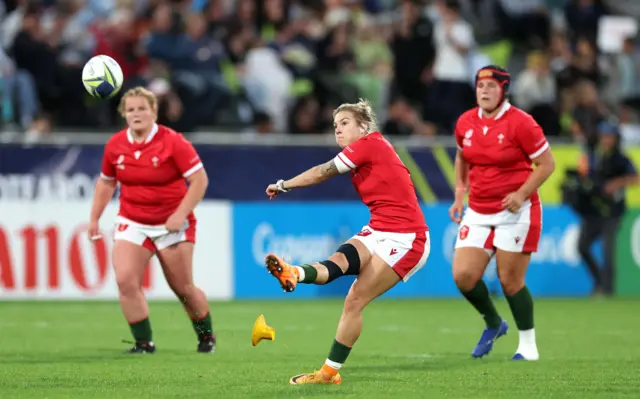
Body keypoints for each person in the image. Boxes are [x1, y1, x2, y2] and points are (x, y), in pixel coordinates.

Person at [264, 99, 430, 384]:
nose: (337, 130)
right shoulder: (368, 149)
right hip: (379, 228)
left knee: (354, 299)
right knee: (337, 263)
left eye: (344, 123)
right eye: (335, 126)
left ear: (363, 127)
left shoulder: (370, 144)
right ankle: (294, 272)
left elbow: (321, 172)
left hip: (407, 238)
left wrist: (283, 184)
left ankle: (328, 374)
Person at [88, 87, 216, 354]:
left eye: (142, 109)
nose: (136, 114)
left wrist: (180, 213)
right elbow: (106, 182)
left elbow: (199, 180)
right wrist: (94, 218)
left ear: (154, 112)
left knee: (183, 288)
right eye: (131, 109)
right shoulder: (115, 145)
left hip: (172, 225)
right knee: (125, 280)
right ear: (124, 114)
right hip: (132, 221)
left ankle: (206, 337)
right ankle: (144, 343)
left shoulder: (174, 142)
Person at [449, 65, 556, 361]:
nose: (484, 91)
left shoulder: (522, 123)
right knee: (463, 276)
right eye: (480, 86)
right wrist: (460, 194)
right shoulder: (465, 122)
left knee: (510, 281)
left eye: (491, 86)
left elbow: (547, 164)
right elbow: (461, 155)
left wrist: (521, 194)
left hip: (517, 211)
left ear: (503, 91)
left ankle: (528, 345)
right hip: (479, 209)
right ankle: (495, 323)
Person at [574, 121, 639, 295]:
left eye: (610, 136)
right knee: (582, 246)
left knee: (608, 250)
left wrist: (616, 183)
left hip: (612, 211)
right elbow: (584, 176)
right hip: (593, 210)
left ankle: (608, 290)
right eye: (604, 135)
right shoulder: (592, 155)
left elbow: (636, 177)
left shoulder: (621, 158)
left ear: (615, 138)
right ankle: (599, 281)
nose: (606, 139)